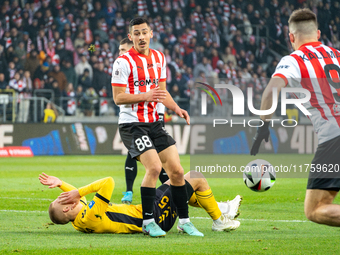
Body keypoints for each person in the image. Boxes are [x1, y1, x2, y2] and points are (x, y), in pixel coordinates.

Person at [111, 17, 201, 237]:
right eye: (136, 33)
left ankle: (185, 222)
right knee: (153, 168)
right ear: (130, 37)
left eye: (144, 32)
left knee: (178, 172)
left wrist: (177, 108)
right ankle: (148, 222)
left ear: (151, 34)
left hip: (155, 123)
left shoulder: (160, 58)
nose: (141, 37)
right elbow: (118, 98)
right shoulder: (123, 62)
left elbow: (162, 93)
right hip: (132, 125)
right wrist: (146, 95)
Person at [250, 8, 340, 227]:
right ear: (318, 34)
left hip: (334, 139)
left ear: (291, 37)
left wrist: (264, 125)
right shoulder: (337, 55)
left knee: (316, 209)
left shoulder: (294, 60)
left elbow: (271, 91)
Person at [39, 171, 241, 234]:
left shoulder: (79, 222)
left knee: (179, 185)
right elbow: (108, 182)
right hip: (153, 216)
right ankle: (219, 220)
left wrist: (60, 184)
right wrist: (78, 191)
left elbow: (78, 200)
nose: (64, 196)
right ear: (67, 208)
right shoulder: (91, 215)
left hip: (149, 211)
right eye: (61, 199)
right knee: (194, 178)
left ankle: (223, 208)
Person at [117, 37, 169, 205]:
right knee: (139, 157)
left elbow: (158, 93)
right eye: (119, 51)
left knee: (158, 162)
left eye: (124, 50)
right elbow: (119, 96)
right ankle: (129, 191)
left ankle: (168, 190)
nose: (121, 54)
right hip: (133, 122)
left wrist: (161, 115)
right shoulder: (121, 67)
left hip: (151, 120)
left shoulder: (146, 65)